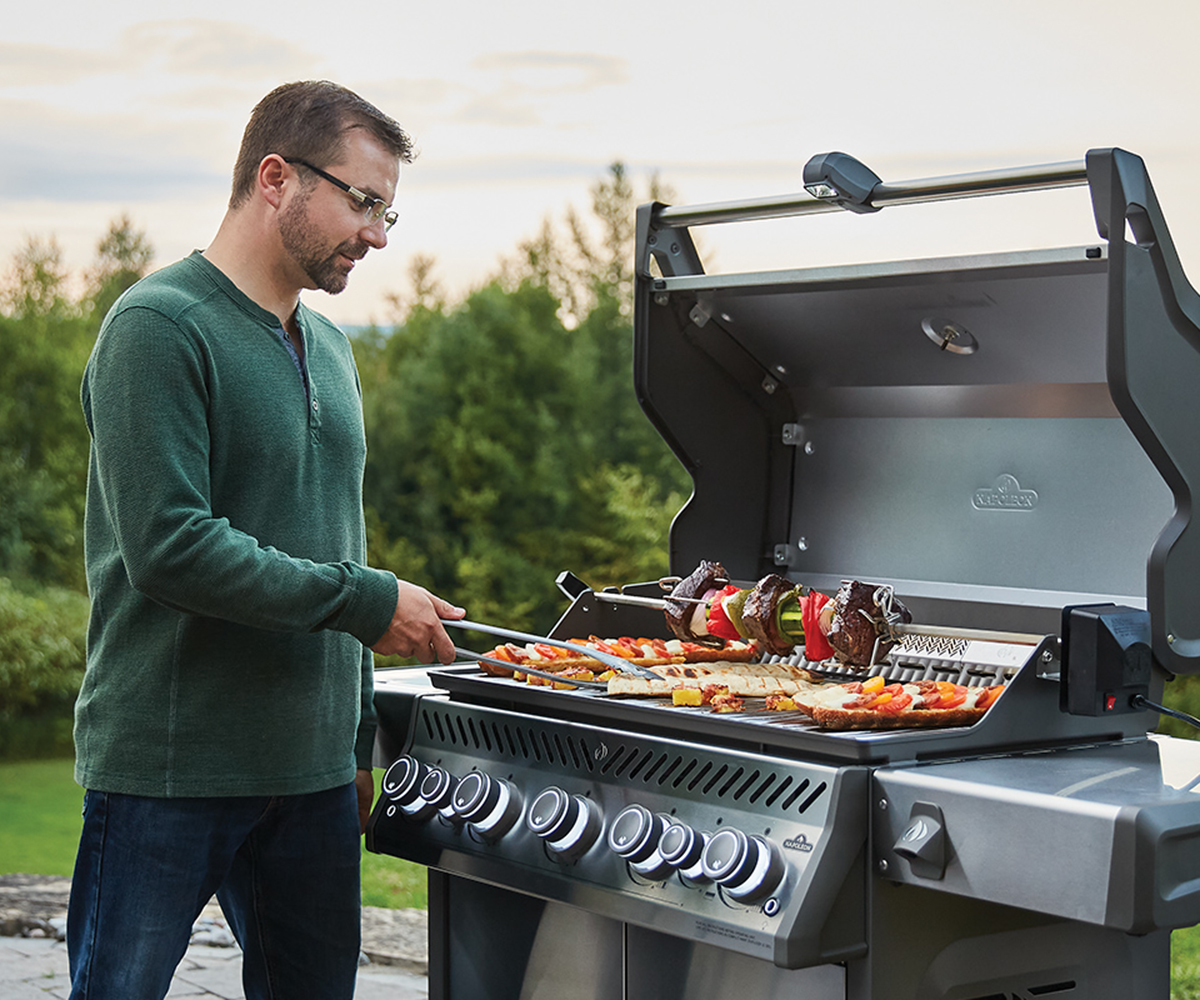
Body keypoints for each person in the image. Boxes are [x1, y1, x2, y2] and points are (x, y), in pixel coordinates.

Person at [67, 80, 464, 1000]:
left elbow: (329, 530)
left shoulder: (330, 346)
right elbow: (170, 547)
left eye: (387, 212)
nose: (374, 234)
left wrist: (356, 742)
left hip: (314, 774)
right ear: (276, 178)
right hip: (170, 765)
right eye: (361, 201)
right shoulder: (158, 328)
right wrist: (370, 599)